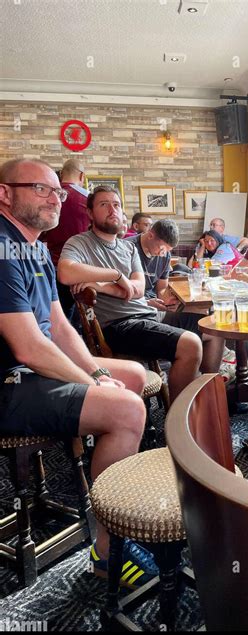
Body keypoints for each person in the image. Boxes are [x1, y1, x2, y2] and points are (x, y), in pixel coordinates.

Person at [0, 158, 159, 587]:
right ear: (5, 193)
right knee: (126, 410)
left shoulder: (31, 244)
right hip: (8, 383)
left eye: (58, 190)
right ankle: (109, 550)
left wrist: (95, 370)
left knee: (134, 378)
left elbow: (60, 327)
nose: (56, 198)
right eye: (41, 189)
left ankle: (113, 486)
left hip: (29, 372)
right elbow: (29, 347)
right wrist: (92, 381)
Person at [57, 185, 202, 402]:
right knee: (191, 344)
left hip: (148, 315)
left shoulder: (129, 249)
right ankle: (179, 419)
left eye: (116, 205)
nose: (112, 210)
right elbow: (65, 273)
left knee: (210, 327)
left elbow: (137, 290)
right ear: (90, 212)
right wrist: (116, 276)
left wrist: (98, 284)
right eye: (104, 204)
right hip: (120, 325)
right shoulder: (79, 243)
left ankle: (210, 400)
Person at [129, 219, 225, 372]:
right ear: (150, 235)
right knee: (198, 330)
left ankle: (208, 385)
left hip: (155, 310)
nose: (163, 254)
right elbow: (120, 295)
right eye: (161, 248)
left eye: (167, 250)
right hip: (137, 315)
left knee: (215, 328)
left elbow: (161, 289)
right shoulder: (128, 249)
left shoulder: (164, 255)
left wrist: (166, 300)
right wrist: (148, 303)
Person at [42, 158, 90, 318]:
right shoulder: (88, 199)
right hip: (80, 267)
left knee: (55, 317)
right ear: (82, 176)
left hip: (49, 264)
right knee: (80, 319)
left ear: (61, 174)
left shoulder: (46, 196)